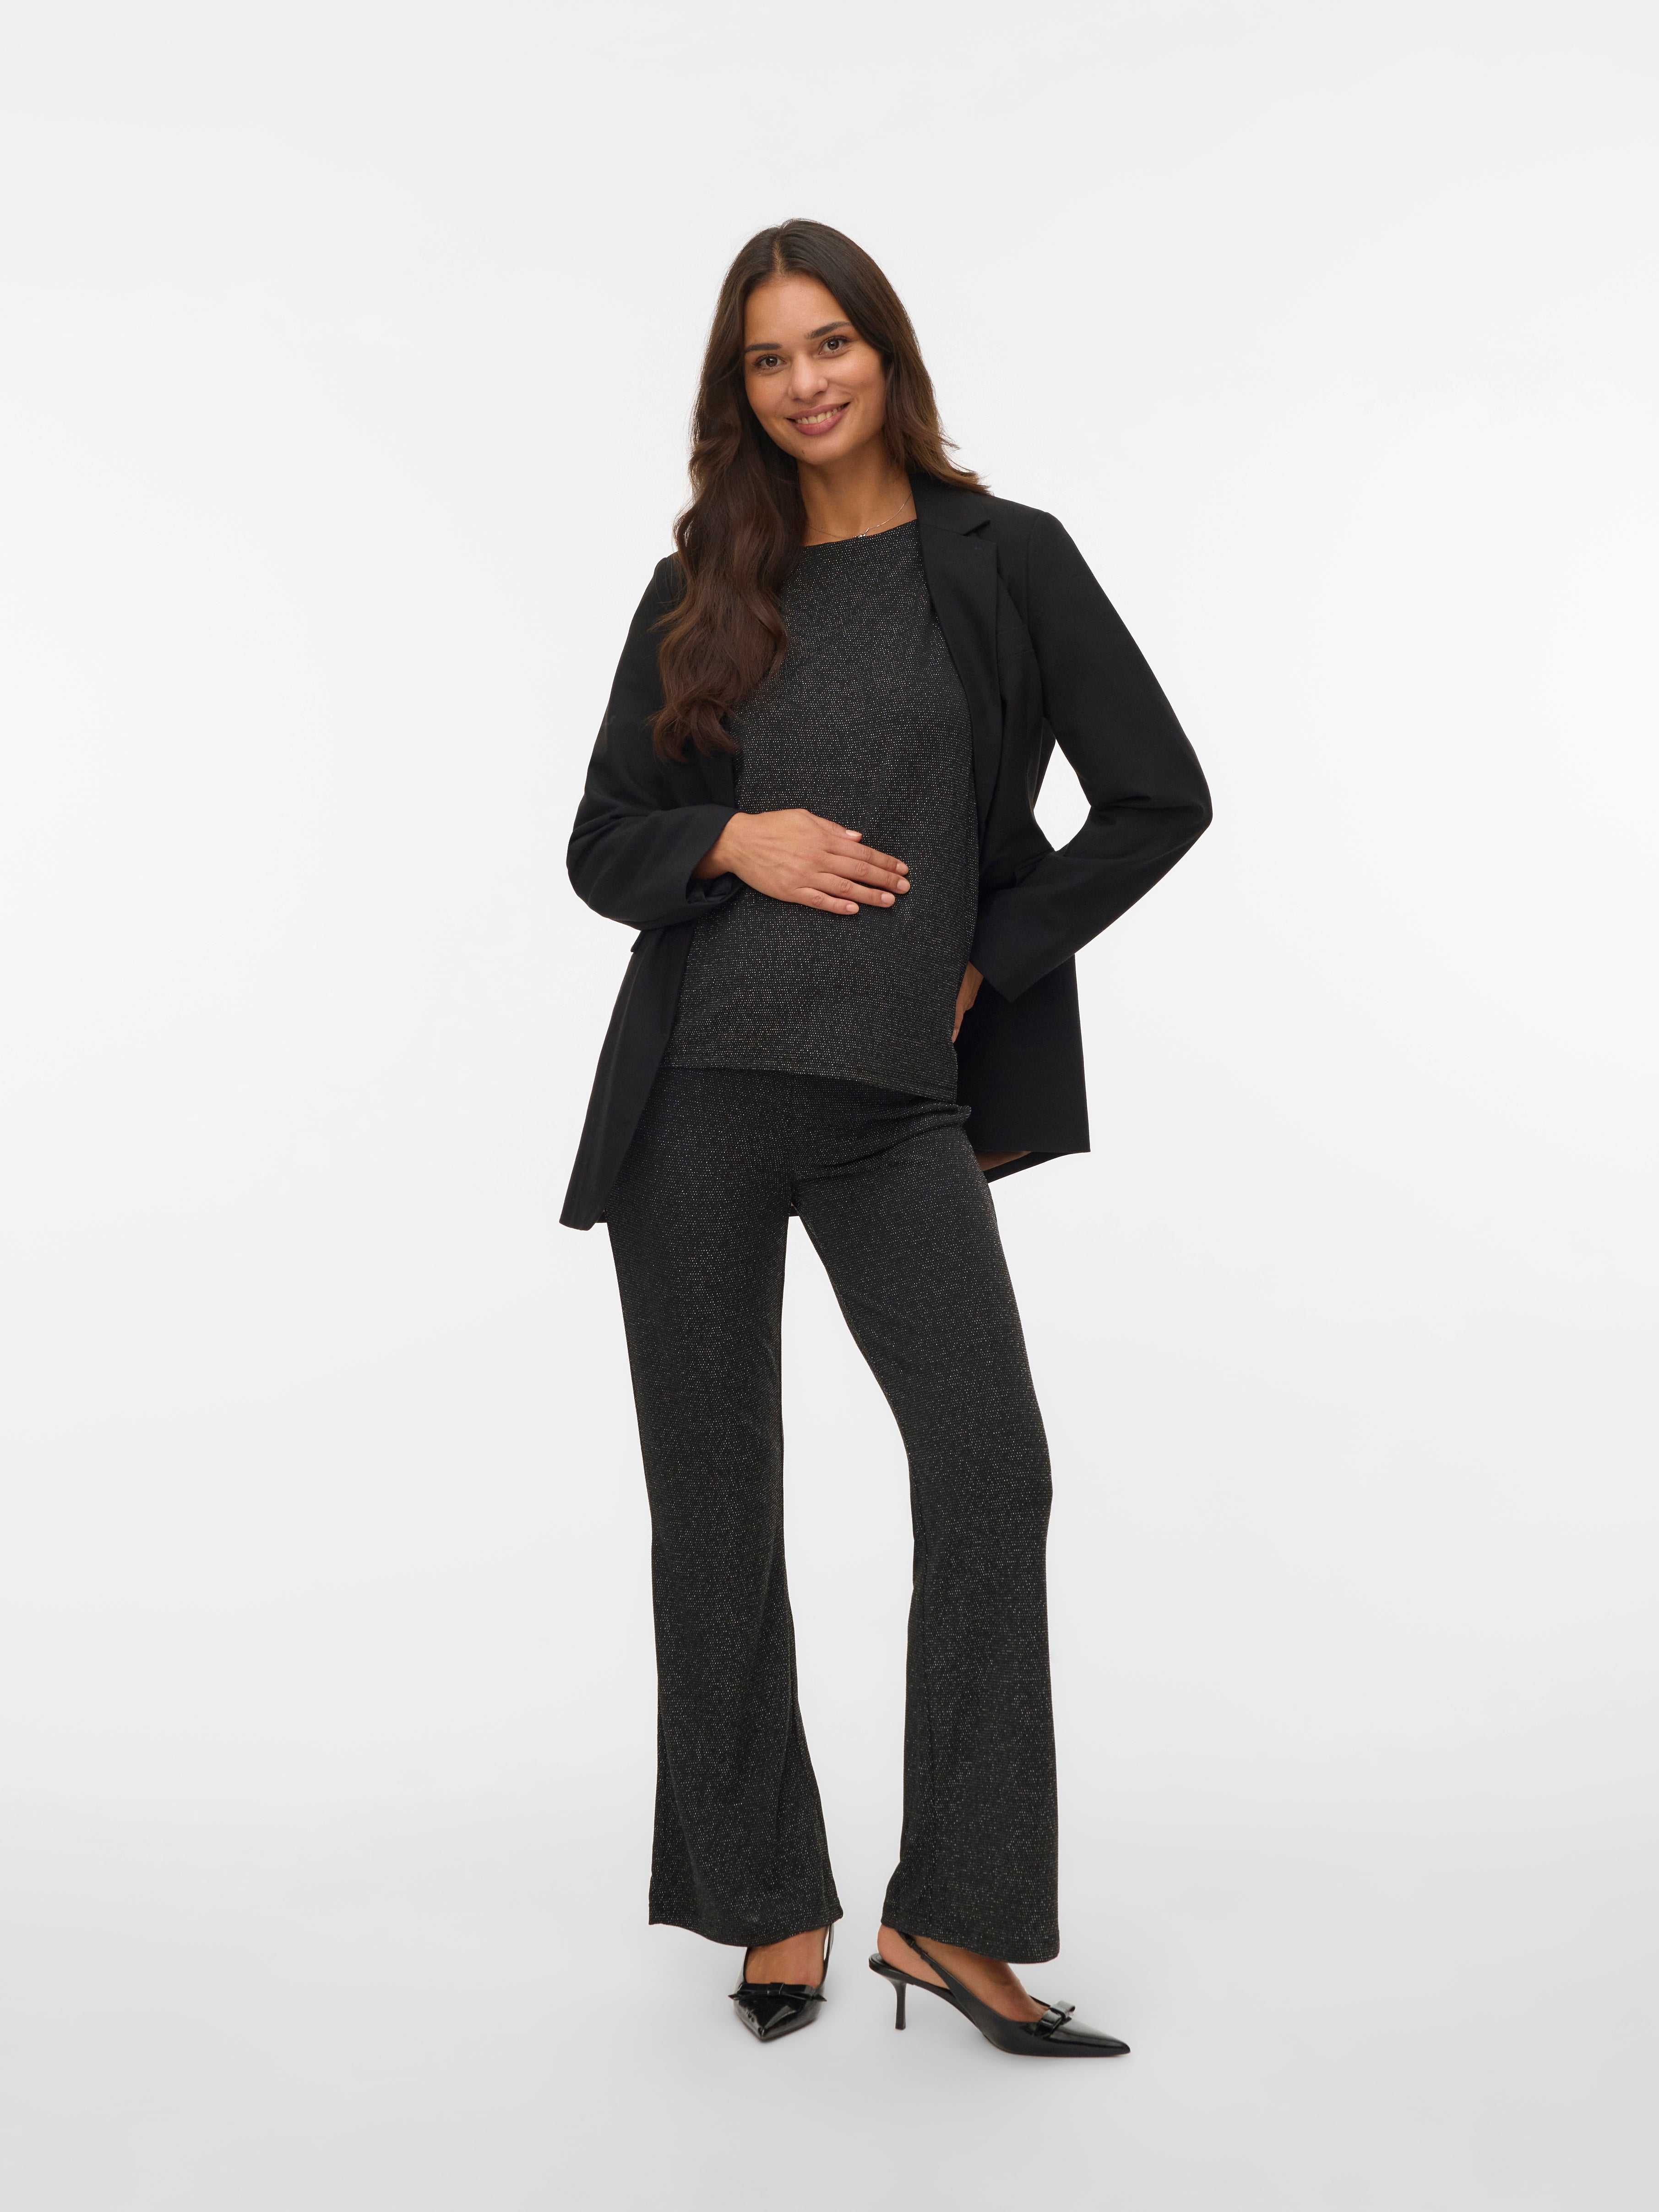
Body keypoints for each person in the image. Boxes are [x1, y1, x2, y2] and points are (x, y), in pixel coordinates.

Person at [562, 219, 1210, 2055]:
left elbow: (1159, 796)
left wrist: (993, 955)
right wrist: (728, 838)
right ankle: (769, 1899)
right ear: (740, 390)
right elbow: (603, 839)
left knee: (992, 1470)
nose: (806, 381)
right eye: (768, 358)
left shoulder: (1006, 559)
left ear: (885, 350)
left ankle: (955, 1916)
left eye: (830, 341)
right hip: (696, 1099)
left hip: (892, 1113)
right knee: (715, 1501)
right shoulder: (700, 582)